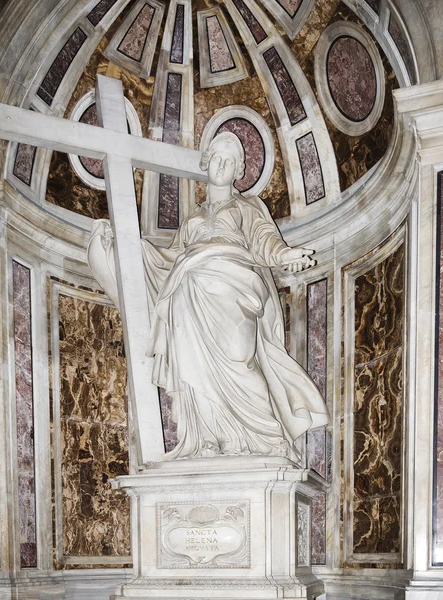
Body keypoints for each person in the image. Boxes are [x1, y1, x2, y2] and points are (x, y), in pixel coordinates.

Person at [140, 132, 328, 462]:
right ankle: (209, 438)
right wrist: (136, 251)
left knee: (241, 357)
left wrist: (284, 256)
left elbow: (264, 239)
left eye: (229, 161)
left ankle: (268, 436)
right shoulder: (191, 219)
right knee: (194, 363)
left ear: (238, 170)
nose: (222, 165)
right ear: (206, 163)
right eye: (216, 158)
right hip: (190, 291)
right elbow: (170, 261)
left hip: (234, 286)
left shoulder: (247, 207)